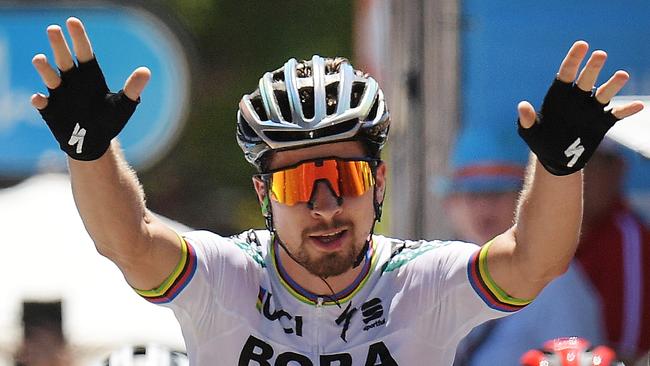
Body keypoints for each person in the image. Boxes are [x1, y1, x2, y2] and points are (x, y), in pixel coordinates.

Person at [30, 17, 644, 365]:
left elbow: (534, 261)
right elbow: (129, 242)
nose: (324, 205)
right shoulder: (225, 276)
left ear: (377, 184)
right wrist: (91, 154)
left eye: (345, 180)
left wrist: (561, 169)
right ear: (263, 195)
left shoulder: (420, 280)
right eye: (299, 184)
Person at [444, 128, 605, 366]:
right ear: (450, 204)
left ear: (527, 200)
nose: (484, 207)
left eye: (497, 192)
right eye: (473, 193)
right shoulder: (445, 271)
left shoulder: (556, 280)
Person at [575, 138, 650, 362]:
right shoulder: (540, 234)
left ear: (616, 169)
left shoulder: (627, 237)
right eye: (567, 164)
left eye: (587, 163)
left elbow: (628, 351)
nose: (579, 177)